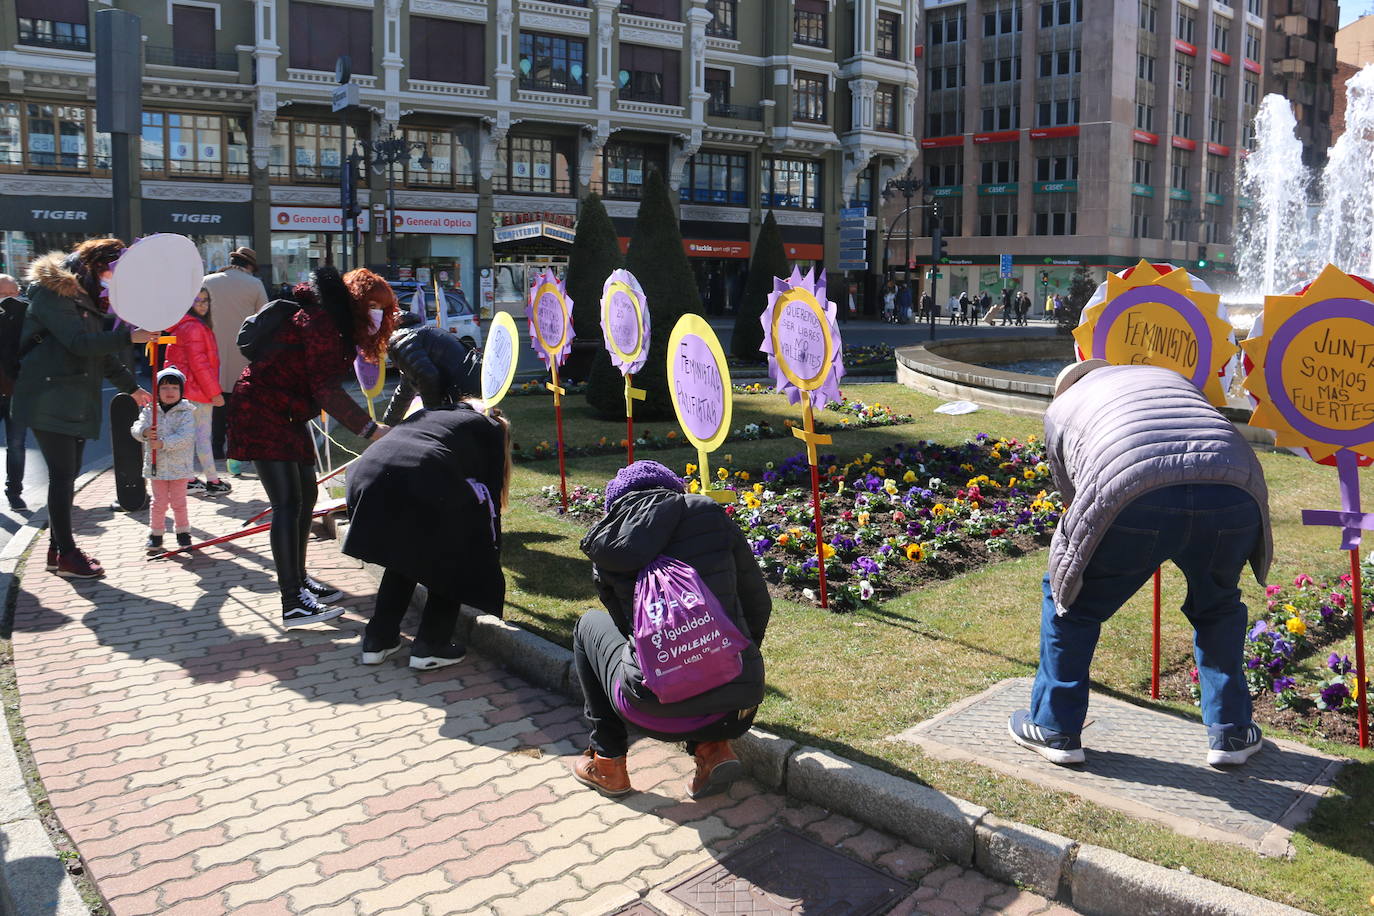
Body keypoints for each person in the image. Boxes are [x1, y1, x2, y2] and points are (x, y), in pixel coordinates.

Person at [1009, 361, 1272, 768]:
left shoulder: (1062, 408)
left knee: (1071, 602)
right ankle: (1232, 732)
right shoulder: (1168, 377)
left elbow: (1073, 495)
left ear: (1064, 389)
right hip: (1233, 486)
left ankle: (1054, 726)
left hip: (1132, 487)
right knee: (1218, 606)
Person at [571, 460, 772, 799]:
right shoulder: (706, 513)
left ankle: (608, 761)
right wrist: (734, 659)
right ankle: (714, 749)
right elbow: (757, 604)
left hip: (651, 710)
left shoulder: (609, 540)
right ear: (673, 490)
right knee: (707, 647)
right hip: (738, 704)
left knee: (587, 626)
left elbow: (627, 630)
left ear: (616, 504)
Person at [227, 266, 396, 627]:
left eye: (383, 308)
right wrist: (369, 429)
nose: (378, 314)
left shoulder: (333, 323)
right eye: (373, 305)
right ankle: (292, 602)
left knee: (305, 495)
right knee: (287, 503)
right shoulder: (321, 322)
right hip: (261, 408)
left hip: (286, 412)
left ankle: (299, 581)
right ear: (354, 302)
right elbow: (325, 389)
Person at [12, 240, 156, 578]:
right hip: (48, 396)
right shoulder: (52, 292)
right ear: (94, 266)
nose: (111, 280)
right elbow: (79, 344)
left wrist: (131, 387)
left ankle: (57, 549)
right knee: (63, 477)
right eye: (110, 272)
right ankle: (66, 553)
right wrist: (129, 338)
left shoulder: (81, 297)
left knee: (67, 475)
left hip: (69, 397)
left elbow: (97, 354)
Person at [344, 394, 511, 670]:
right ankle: (431, 645)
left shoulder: (434, 412)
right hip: (421, 474)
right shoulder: (489, 427)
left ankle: (378, 639)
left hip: (366, 474)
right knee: (456, 552)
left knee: (404, 552)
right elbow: (489, 501)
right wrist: (489, 552)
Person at [202, 247, 267, 477]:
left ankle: (216, 447)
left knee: (217, 401)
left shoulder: (207, 281)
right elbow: (264, 319)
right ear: (250, 265)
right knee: (241, 404)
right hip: (244, 351)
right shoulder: (255, 285)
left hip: (212, 351)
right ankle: (238, 449)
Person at [164, 287, 230, 496]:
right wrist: (214, 393)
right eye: (197, 300)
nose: (202, 304)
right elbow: (199, 364)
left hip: (187, 390)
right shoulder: (194, 327)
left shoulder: (185, 325)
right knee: (202, 437)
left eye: (205, 300)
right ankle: (212, 480)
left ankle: (191, 479)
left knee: (189, 437)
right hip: (197, 392)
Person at [130, 368, 197, 555]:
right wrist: (143, 433)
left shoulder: (186, 412)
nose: (169, 392)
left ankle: (183, 532)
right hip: (156, 466)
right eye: (165, 387)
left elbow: (186, 437)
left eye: (175, 387)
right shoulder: (150, 410)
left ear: (181, 391)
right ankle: (156, 534)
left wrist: (163, 443)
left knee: (179, 502)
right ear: (157, 391)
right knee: (158, 502)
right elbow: (136, 427)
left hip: (179, 467)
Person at [380, 311, 481, 425]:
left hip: (466, 392)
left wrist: (433, 421)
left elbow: (427, 377)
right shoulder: (415, 335)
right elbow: (406, 388)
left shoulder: (401, 340)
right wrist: (388, 424)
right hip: (473, 384)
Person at [0, 273, 29, 511]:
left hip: (17, 391)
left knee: (17, 444)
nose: (10, 299)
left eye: (13, 293)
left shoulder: (27, 314)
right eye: (3, 294)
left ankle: (14, 492)